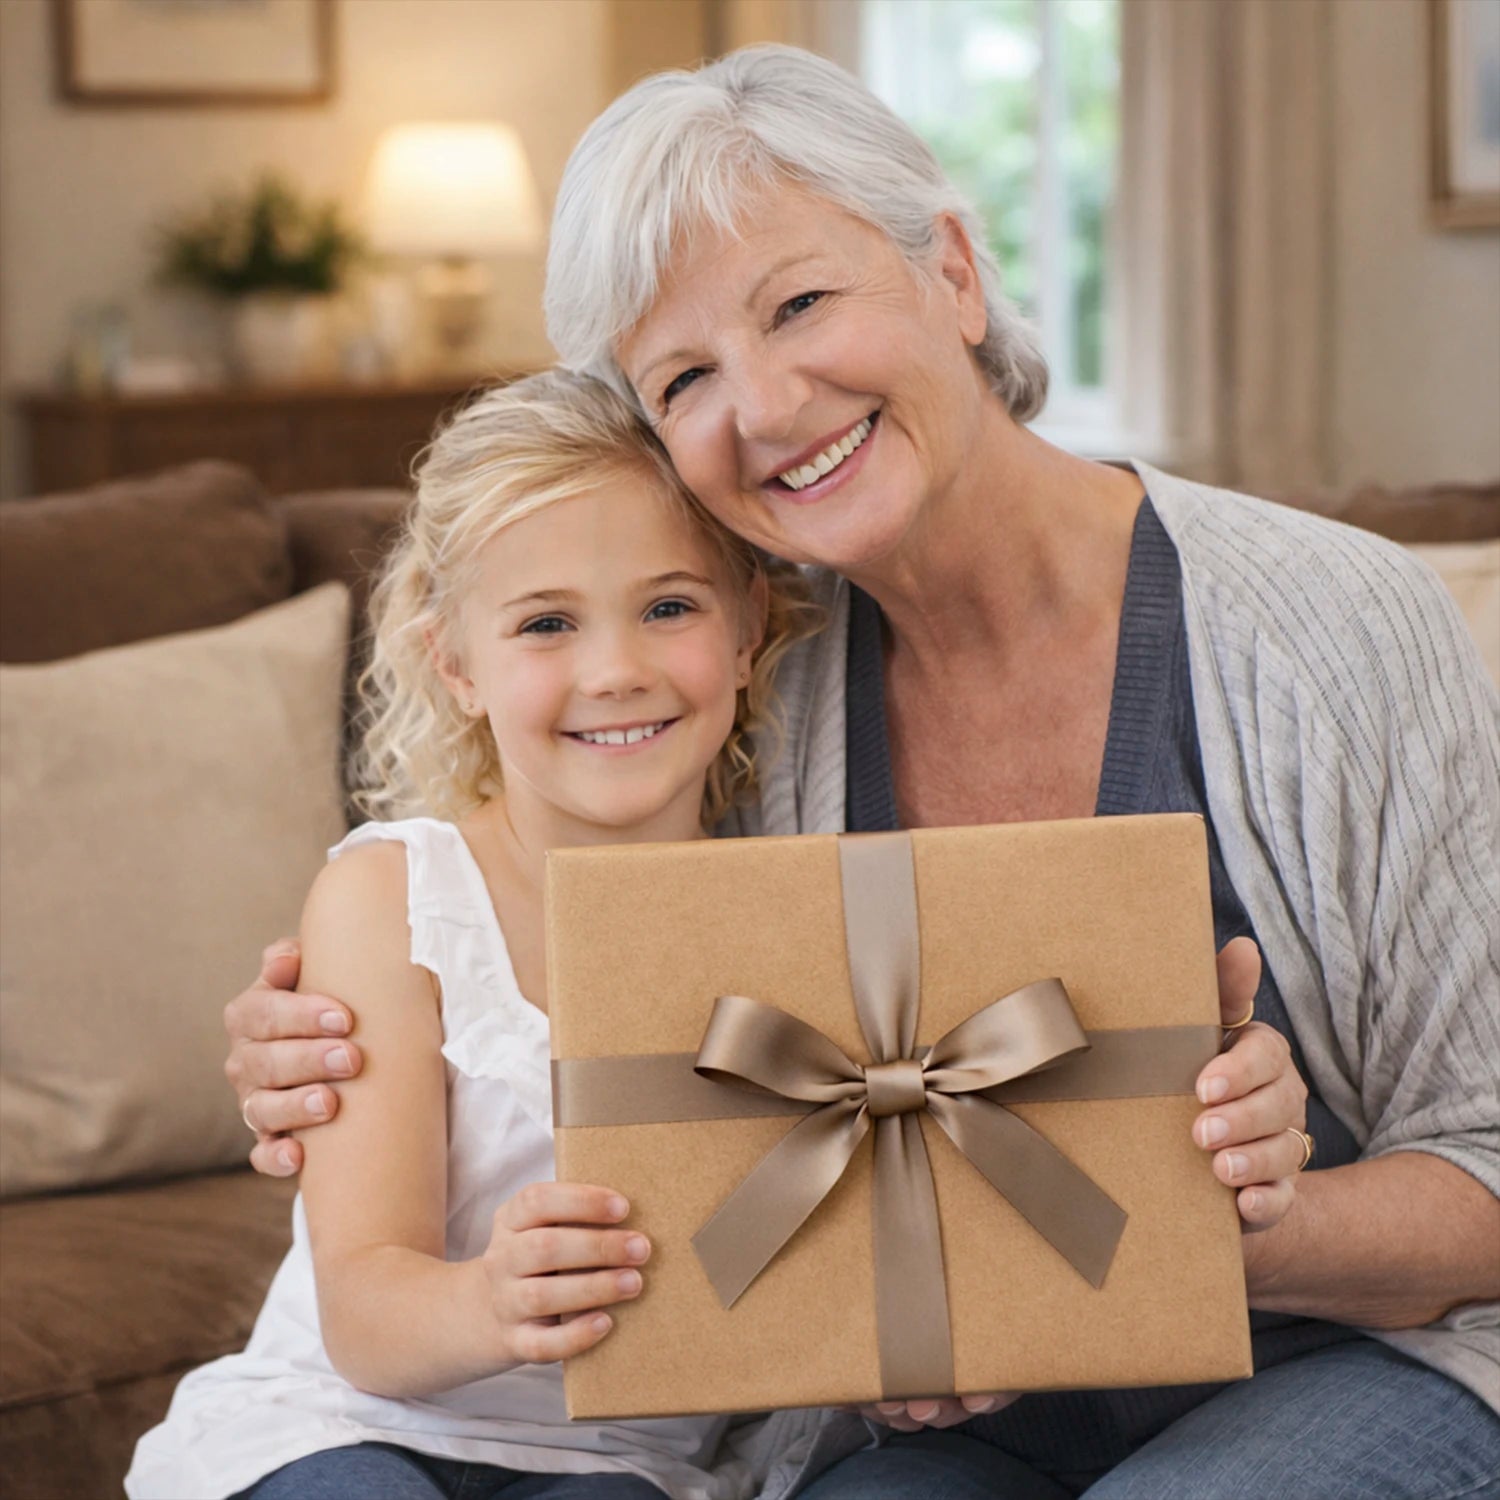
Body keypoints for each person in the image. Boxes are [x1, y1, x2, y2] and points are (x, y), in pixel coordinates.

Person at [224, 44, 1499, 1500]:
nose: (763, 405)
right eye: (685, 375)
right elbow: (547, 959)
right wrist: (323, 1043)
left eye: (802, 303)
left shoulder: (1336, 626)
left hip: (1355, 1358)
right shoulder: (744, 678)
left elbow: (1490, 1162)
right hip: (931, 1419)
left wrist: (1225, 1221)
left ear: (952, 272)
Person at [129, 369, 865, 1500]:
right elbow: (368, 1316)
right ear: (457, 665)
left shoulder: (800, 908)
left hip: (621, 1458)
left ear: (749, 624)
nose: (615, 670)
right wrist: (492, 1298)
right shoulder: (398, 898)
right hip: (350, 1423)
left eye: (669, 606)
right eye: (545, 624)